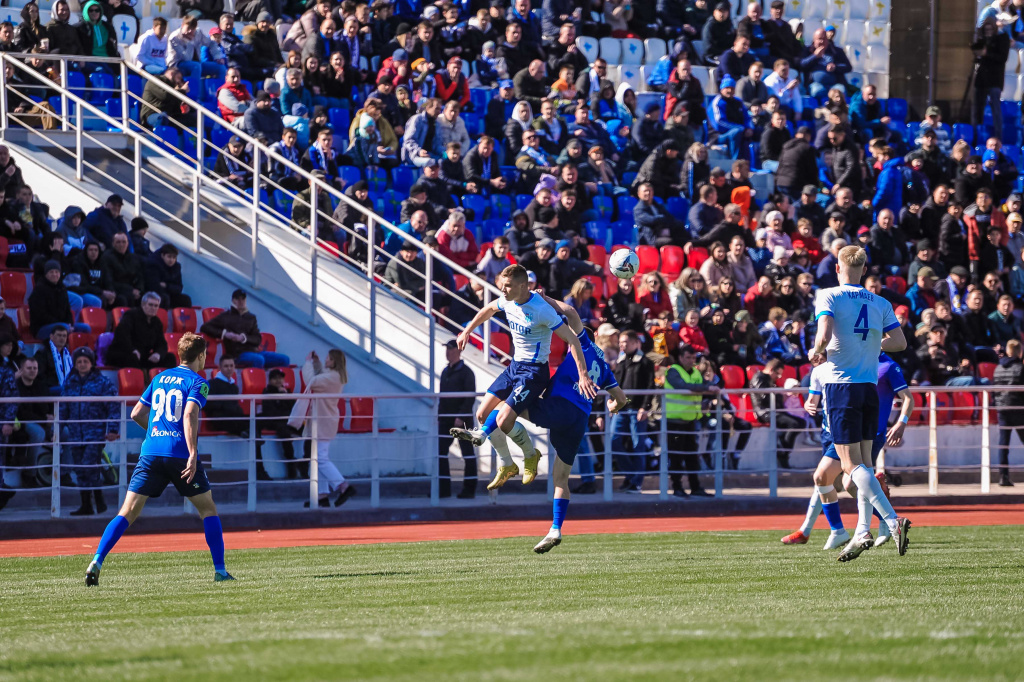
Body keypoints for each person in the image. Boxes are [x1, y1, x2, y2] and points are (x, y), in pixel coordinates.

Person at [85, 333, 233, 585]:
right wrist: (193, 452)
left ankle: (96, 560)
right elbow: (188, 415)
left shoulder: (159, 377)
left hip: (151, 451)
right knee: (208, 509)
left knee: (127, 511)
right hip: (179, 454)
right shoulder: (198, 382)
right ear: (200, 356)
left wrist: (156, 433)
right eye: (205, 354)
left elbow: (136, 413)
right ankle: (220, 571)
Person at [449, 264, 596, 489]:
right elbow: (489, 309)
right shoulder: (507, 299)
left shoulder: (541, 309)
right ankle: (508, 464)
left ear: (522, 286)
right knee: (481, 414)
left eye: (507, 286)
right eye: (501, 285)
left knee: (505, 420)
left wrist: (583, 375)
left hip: (535, 372)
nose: (503, 290)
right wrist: (467, 330)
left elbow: (573, 340)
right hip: (514, 366)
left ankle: (530, 455)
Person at [810, 245, 910, 561]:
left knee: (850, 467)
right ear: (864, 270)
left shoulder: (829, 295)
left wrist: (817, 350)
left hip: (842, 386)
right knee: (864, 464)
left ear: (839, 268)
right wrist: (868, 342)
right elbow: (899, 342)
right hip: (869, 389)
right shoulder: (880, 301)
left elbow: (824, 332)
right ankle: (862, 530)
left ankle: (894, 521)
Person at [782, 354, 913, 549]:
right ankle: (866, 527)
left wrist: (901, 422)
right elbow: (814, 398)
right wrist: (810, 403)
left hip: (856, 429)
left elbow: (907, 396)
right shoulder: (844, 365)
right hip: (834, 430)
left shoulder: (880, 365)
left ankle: (883, 522)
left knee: (828, 477)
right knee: (842, 482)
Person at [287, 349, 355, 507]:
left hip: (323, 422)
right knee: (318, 459)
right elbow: (320, 376)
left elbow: (312, 380)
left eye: (328, 359)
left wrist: (308, 363)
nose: (326, 361)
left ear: (334, 361)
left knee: (320, 458)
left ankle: (343, 486)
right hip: (324, 421)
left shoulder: (332, 377)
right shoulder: (335, 376)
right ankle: (322, 495)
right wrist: (316, 363)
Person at [60, 347, 118, 517]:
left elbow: (113, 407)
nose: (82, 364)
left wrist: (113, 429)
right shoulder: (69, 382)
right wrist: (55, 428)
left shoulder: (103, 383)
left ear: (92, 363)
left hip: (95, 432)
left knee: (89, 465)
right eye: (79, 362)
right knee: (80, 469)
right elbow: (62, 408)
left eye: (85, 361)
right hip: (75, 433)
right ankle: (88, 504)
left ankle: (98, 499)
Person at [663, 344, 717, 498]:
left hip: (691, 420)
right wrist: (705, 387)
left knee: (692, 456)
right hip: (675, 421)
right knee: (676, 457)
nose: (691, 360)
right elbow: (682, 385)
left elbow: (704, 384)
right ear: (680, 358)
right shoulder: (673, 371)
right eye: (688, 357)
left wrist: (709, 386)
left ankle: (695, 487)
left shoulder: (695, 372)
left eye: (693, 358)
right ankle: (677, 487)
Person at [612, 330, 656, 493]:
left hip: (637, 410)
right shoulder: (621, 360)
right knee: (613, 441)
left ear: (635, 343)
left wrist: (645, 407)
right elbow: (615, 384)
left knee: (638, 446)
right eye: (620, 342)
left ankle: (636, 482)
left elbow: (650, 386)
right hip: (621, 409)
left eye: (625, 342)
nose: (622, 345)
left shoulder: (645, 362)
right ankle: (631, 476)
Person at [200, 289, 289, 369]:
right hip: (237, 354)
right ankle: (258, 384)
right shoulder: (225, 316)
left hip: (254, 352)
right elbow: (205, 327)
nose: (241, 301)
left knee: (284, 359)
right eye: (239, 299)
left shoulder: (251, 317)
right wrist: (225, 334)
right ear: (233, 301)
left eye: (243, 299)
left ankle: (274, 384)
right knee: (259, 360)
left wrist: (243, 338)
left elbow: (257, 339)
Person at [437, 340, 477, 499]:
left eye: (451, 349)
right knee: (440, 453)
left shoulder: (467, 372)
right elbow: (442, 398)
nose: (448, 352)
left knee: (467, 454)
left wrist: (461, 416)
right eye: (447, 349)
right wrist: (440, 416)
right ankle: (443, 490)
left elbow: (470, 398)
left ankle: (469, 490)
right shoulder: (445, 371)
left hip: (463, 420)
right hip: (446, 419)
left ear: (459, 351)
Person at [105, 293, 176, 370]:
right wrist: (132, 350)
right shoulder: (130, 315)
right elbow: (122, 337)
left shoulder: (157, 322)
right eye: (150, 305)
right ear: (143, 304)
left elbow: (162, 344)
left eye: (156, 306)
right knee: (132, 358)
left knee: (170, 358)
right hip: (123, 353)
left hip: (142, 356)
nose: (153, 308)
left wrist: (158, 354)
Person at [993, 338, 1024, 487]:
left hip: (1002, 410)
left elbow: (995, 391)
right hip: (1018, 409)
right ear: (1019, 352)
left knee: (1003, 444)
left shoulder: (998, 368)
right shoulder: (1020, 368)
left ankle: (1003, 477)